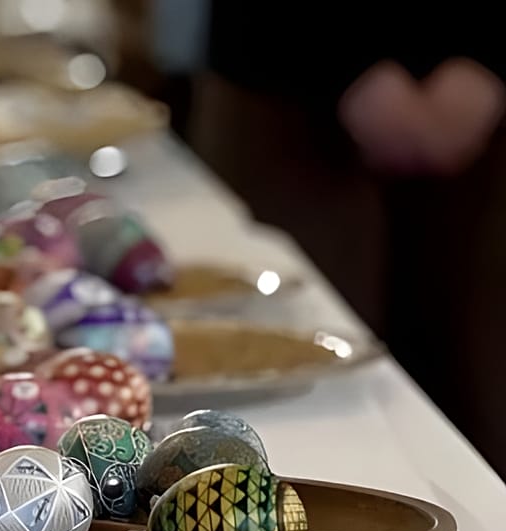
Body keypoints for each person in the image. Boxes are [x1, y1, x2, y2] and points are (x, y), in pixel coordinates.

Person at [185, 3, 506, 474]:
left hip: (480, 110)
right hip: (280, 79)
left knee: (485, 387)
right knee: (287, 401)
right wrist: (341, 60)